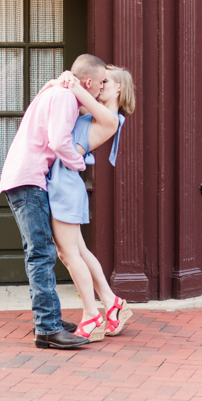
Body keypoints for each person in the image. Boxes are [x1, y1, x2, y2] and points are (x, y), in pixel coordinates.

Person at [0, 53, 107, 349]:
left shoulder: (54, 91)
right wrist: (80, 163)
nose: (100, 90)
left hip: (24, 177)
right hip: (29, 179)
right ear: (87, 82)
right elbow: (60, 141)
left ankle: (50, 320)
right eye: (100, 84)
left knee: (41, 252)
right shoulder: (65, 98)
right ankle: (47, 329)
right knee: (42, 254)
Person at [44, 65, 135, 341]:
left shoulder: (111, 118)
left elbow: (80, 97)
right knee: (79, 251)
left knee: (68, 254)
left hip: (67, 185)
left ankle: (90, 313)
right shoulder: (94, 110)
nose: (101, 83)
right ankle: (111, 303)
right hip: (64, 181)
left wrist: (72, 81)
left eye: (106, 80)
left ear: (119, 88)